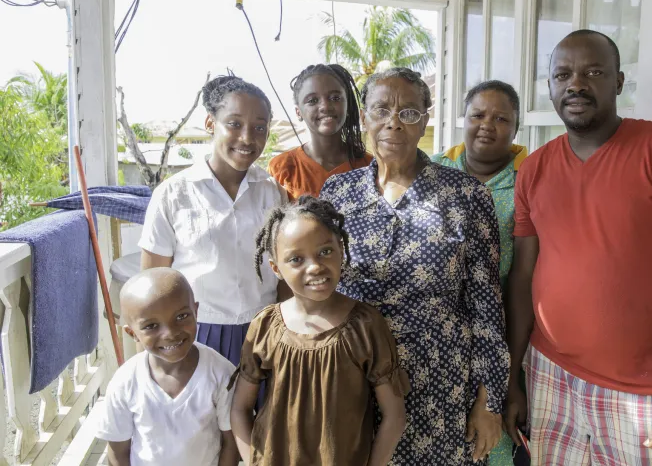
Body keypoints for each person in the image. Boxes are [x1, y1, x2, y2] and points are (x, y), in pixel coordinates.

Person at [504, 29, 652, 466]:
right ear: (549, 87)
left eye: (593, 72)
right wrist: (513, 377)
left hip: (647, 393)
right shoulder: (533, 169)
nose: (576, 84)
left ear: (619, 82)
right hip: (552, 376)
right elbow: (524, 278)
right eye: (563, 74)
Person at [319, 67, 510, 465]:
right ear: (366, 117)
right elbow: (319, 290)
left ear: (426, 117)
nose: (393, 122)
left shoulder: (465, 195)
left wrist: (489, 401)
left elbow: (487, 308)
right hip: (354, 375)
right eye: (381, 110)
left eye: (408, 112)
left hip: (440, 384)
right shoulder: (338, 193)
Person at [230, 196, 408, 466]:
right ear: (276, 268)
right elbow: (240, 409)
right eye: (296, 259)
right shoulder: (265, 325)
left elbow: (394, 415)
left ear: (341, 249)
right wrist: (253, 460)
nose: (314, 266)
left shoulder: (366, 325)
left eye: (325, 251)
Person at [139, 75, 288, 370]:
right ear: (210, 124)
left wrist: (283, 330)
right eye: (234, 124)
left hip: (265, 331)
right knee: (202, 414)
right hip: (195, 335)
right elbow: (152, 284)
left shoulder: (273, 193)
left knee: (259, 414)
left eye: (260, 128)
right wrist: (150, 363)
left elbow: (285, 272)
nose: (247, 137)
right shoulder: (173, 194)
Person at [431, 79, 527, 466]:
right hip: (438, 337)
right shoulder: (434, 171)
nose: (487, 124)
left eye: (501, 118)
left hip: (505, 332)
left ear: (516, 128)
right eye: (478, 115)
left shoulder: (529, 180)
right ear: (463, 120)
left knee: (495, 442)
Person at [96, 268, 238, 466]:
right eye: (151, 326)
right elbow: (118, 451)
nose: (170, 333)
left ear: (196, 312)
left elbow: (230, 444)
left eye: (181, 316)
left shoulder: (222, 374)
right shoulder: (125, 382)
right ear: (133, 334)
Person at [268, 64, 372, 199]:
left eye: (335, 98)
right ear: (298, 112)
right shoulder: (282, 168)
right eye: (312, 101)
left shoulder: (370, 167)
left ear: (347, 104)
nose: (325, 106)